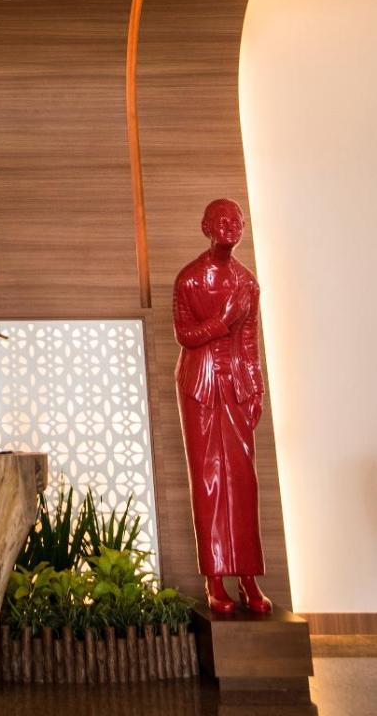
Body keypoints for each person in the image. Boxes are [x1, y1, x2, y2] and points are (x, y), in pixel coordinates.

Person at [173, 197, 272, 615]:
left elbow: (249, 340)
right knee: (209, 478)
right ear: (206, 227)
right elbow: (185, 335)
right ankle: (214, 578)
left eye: (237, 221)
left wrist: (256, 388)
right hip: (200, 384)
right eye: (223, 221)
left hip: (235, 384)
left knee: (243, 480)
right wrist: (222, 321)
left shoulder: (247, 283)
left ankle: (247, 575)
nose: (231, 227)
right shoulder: (189, 279)